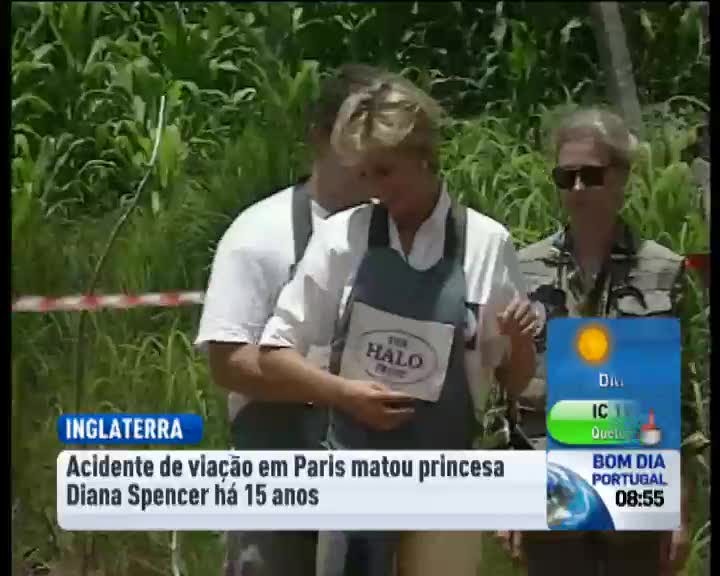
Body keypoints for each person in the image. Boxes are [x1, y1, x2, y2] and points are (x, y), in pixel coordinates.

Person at [257, 74, 541, 575]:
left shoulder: (486, 243)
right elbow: (274, 354)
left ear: (423, 153)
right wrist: (346, 396)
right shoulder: (341, 239)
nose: (376, 190)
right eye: (365, 175)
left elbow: (514, 382)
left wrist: (518, 342)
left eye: (386, 171)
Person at [195, 63, 388, 576]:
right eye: (358, 132)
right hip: (278, 474)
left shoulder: (400, 229)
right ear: (320, 136)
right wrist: (336, 391)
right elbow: (228, 362)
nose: (370, 150)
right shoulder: (259, 234)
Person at [498, 107, 690, 576]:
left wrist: (681, 504)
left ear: (622, 177)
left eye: (591, 175)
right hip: (549, 481)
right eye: (566, 178)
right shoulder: (524, 267)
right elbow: (502, 392)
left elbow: (681, 397)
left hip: (634, 479)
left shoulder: (664, 269)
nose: (578, 189)